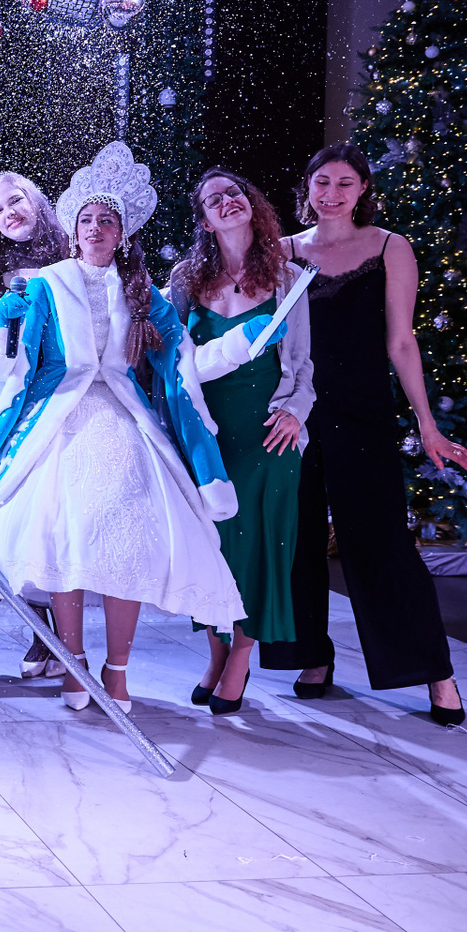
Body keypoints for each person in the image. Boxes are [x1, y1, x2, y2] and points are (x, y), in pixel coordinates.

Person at [0, 143, 258, 712]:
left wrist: (236, 349)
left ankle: (117, 669)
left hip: (124, 423)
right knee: (66, 541)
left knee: (123, 549)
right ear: (73, 229)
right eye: (87, 219)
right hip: (58, 423)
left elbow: (180, 370)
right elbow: (12, 373)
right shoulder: (45, 284)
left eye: (108, 220)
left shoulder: (144, 293)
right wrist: (6, 327)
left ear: (122, 233)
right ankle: (72, 661)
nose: (96, 227)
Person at [258, 145, 467, 725]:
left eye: (344, 183)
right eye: (321, 181)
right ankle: (311, 656)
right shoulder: (281, 252)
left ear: (362, 190)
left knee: (381, 540)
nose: (331, 193)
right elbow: (263, 337)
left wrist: (427, 421)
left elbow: (401, 341)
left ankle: (435, 671)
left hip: (363, 411)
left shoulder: (388, 247)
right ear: (307, 188)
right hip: (292, 412)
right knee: (296, 537)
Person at [168, 170, 316, 715]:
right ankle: (215, 652)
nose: (227, 201)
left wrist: (296, 412)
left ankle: (240, 656)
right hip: (207, 433)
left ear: (251, 204)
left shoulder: (287, 276)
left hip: (269, 432)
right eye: (214, 199)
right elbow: (170, 364)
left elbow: (302, 363)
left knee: (260, 547)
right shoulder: (185, 279)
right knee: (212, 545)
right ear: (204, 221)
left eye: (235, 192)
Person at [0, 171, 74, 678]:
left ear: (38, 201)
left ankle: (68, 644)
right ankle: (44, 636)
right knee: (19, 524)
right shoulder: (1, 272)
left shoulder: (75, 254)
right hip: (18, 408)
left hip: (75, 405)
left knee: (58, 526)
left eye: (15, 201)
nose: (9, 213)